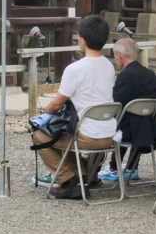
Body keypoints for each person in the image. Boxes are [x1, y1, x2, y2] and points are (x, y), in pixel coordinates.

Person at [32, 15, 117, 200]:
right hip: (109, 133)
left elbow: (56, 103)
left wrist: (42, 115)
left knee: (40, 136)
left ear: (83, 40)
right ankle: (83, 174)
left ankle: (68, 180)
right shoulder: (109, 66)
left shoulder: (75, 68)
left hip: (88, 136)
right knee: (64, 133)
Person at [99, 37, 156, 183]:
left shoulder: (126, 75)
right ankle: (132, 167)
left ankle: (113, 168)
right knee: (136, 117)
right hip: (146, 128)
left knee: (118, 119)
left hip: (126, 130)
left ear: (118, 56)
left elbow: (116, 102)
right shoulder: (150, 74)